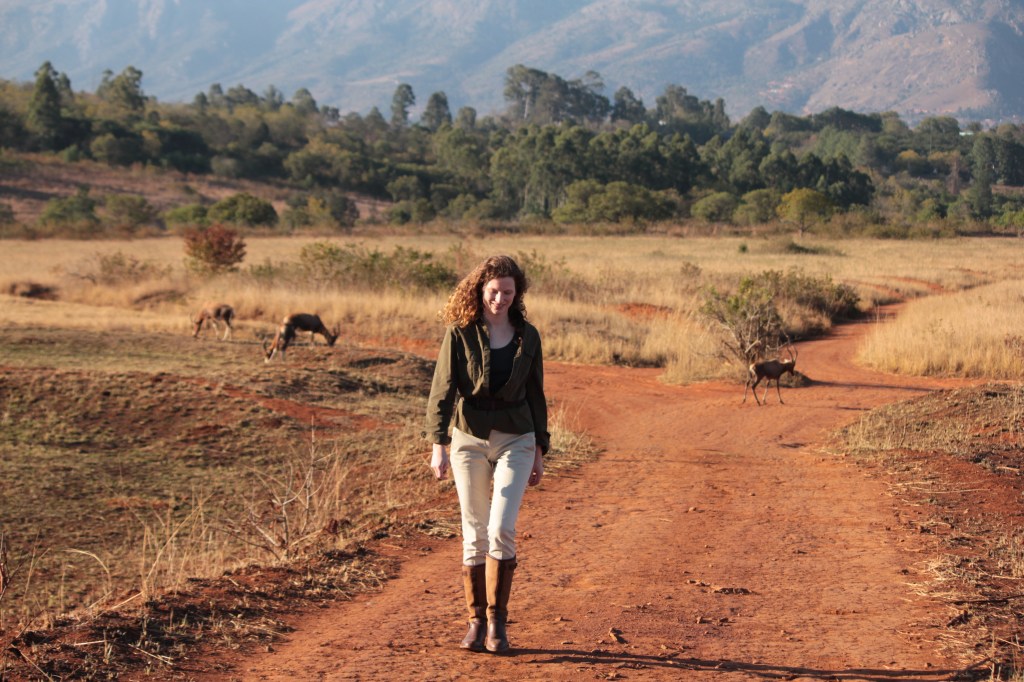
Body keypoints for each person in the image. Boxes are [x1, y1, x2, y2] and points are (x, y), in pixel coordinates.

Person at [425, 254, 549, 654]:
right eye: (493, 291)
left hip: (517, 436)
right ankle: (476, 622)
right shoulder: (460, 333)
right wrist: (438, 445)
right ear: (481, 290)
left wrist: (540, 450)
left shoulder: (527, 335)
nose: (500, 299)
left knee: (501, 528)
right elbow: (442, 391)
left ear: (518, 293)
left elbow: (536, 394)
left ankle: (499, 622)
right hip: (469, 437)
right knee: (474, 532)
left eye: (508, 293)